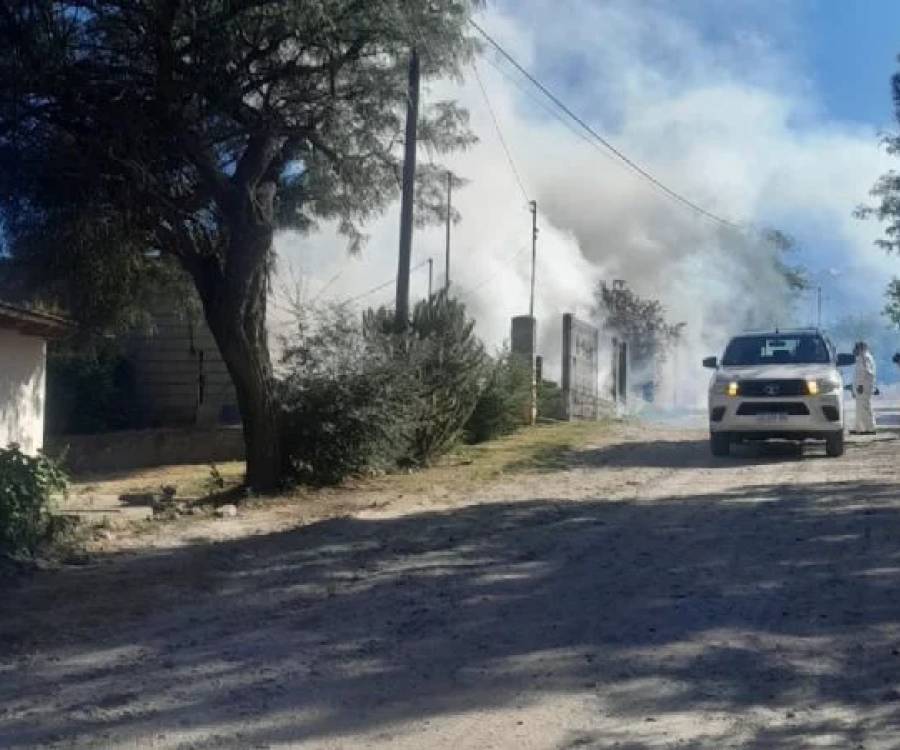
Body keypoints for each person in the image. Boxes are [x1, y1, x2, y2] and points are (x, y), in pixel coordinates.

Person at [852, 341, 877, 435]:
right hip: (861, 386)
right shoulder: (862, 357)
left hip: (863, 386)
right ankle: (859, 428)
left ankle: (870, 428)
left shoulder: (864, 357)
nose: (855, 350)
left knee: (865, 407)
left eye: (857, 348)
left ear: (861, 348)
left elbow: (866, 372)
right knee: (859, 407)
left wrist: (861, 385)